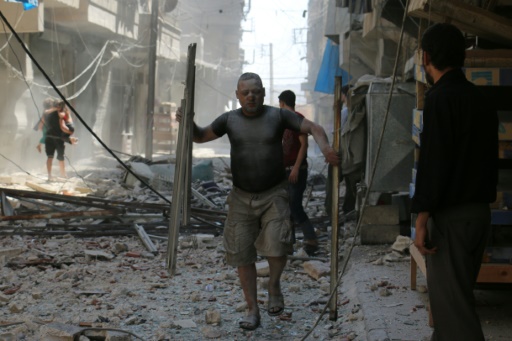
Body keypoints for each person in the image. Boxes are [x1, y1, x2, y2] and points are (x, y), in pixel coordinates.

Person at [178, 72, 339, 330]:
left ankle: (273, 284)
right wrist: (188, 122)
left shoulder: (278, 116)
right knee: (242, 253)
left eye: (255, 91)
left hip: (274, 193)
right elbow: (200, 136)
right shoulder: (229, 120)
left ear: (263, 93)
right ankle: (253, 309)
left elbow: (313, 128)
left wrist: (327, 149)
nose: (250, 96)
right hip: (241, 197)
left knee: (278, 246)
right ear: (238, 96)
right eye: (245, 92)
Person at [411, 23, 498, 341]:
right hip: (479, 216)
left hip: (452, 220)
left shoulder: (440, 98)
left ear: (426, 57)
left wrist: (421, 219)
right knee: (451, 310)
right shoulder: (480, 99)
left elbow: (435, 164)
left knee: (456, 317)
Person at [278, 90, 318, 255]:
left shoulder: (296, 119)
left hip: (297, 171)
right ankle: (289, 243)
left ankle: (311, 240)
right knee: (286, 208)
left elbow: (304, 145)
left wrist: (295, 167)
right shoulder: (283, 121)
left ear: (282, 103)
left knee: (295, 206)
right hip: (285, 171)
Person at [41, 99, 71, 180]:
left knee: (56, 157)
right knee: (56, 157)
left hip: (52, 138)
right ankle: (55, 175)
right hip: (56, 138)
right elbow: (64, 125)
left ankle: (60, 175)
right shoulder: (52, 112)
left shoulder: (49, 112)